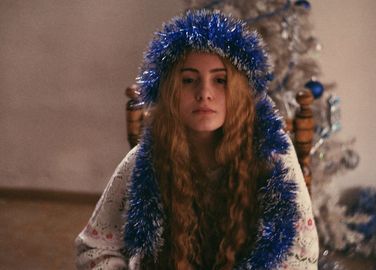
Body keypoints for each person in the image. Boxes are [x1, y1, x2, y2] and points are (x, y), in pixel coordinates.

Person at [75, 9, 319, 270]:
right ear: (170, 92)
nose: (204, 93)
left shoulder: (273, 159)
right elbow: (94, 246)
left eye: (220, 80)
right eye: (189, 80)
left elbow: (299, 256)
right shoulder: (145, 160)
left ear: (238, 91)